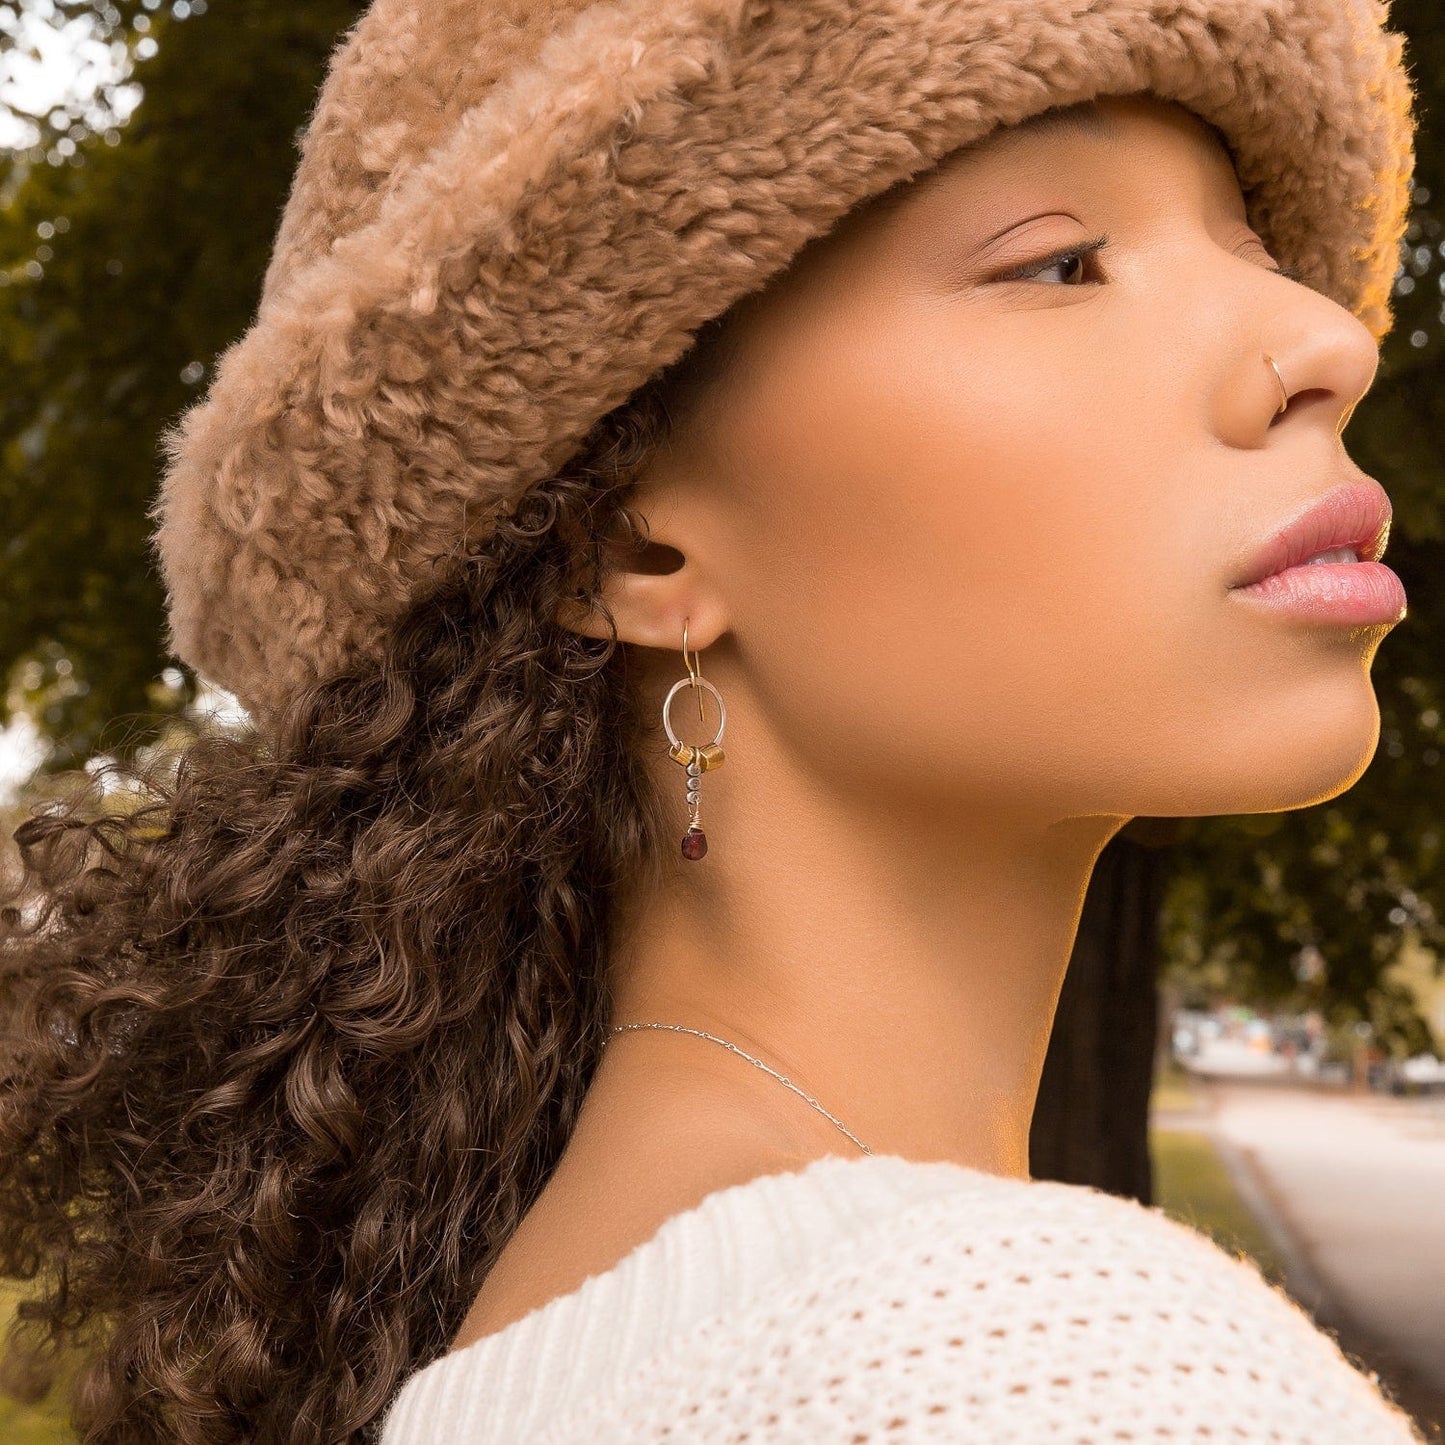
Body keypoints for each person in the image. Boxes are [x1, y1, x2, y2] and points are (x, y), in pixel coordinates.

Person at [0, 2, 1426, 1442]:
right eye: (1060, 260)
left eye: (1248, 245)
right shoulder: (1027, 1360)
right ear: (629, 559)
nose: (1323, 338)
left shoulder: (519, 1369)